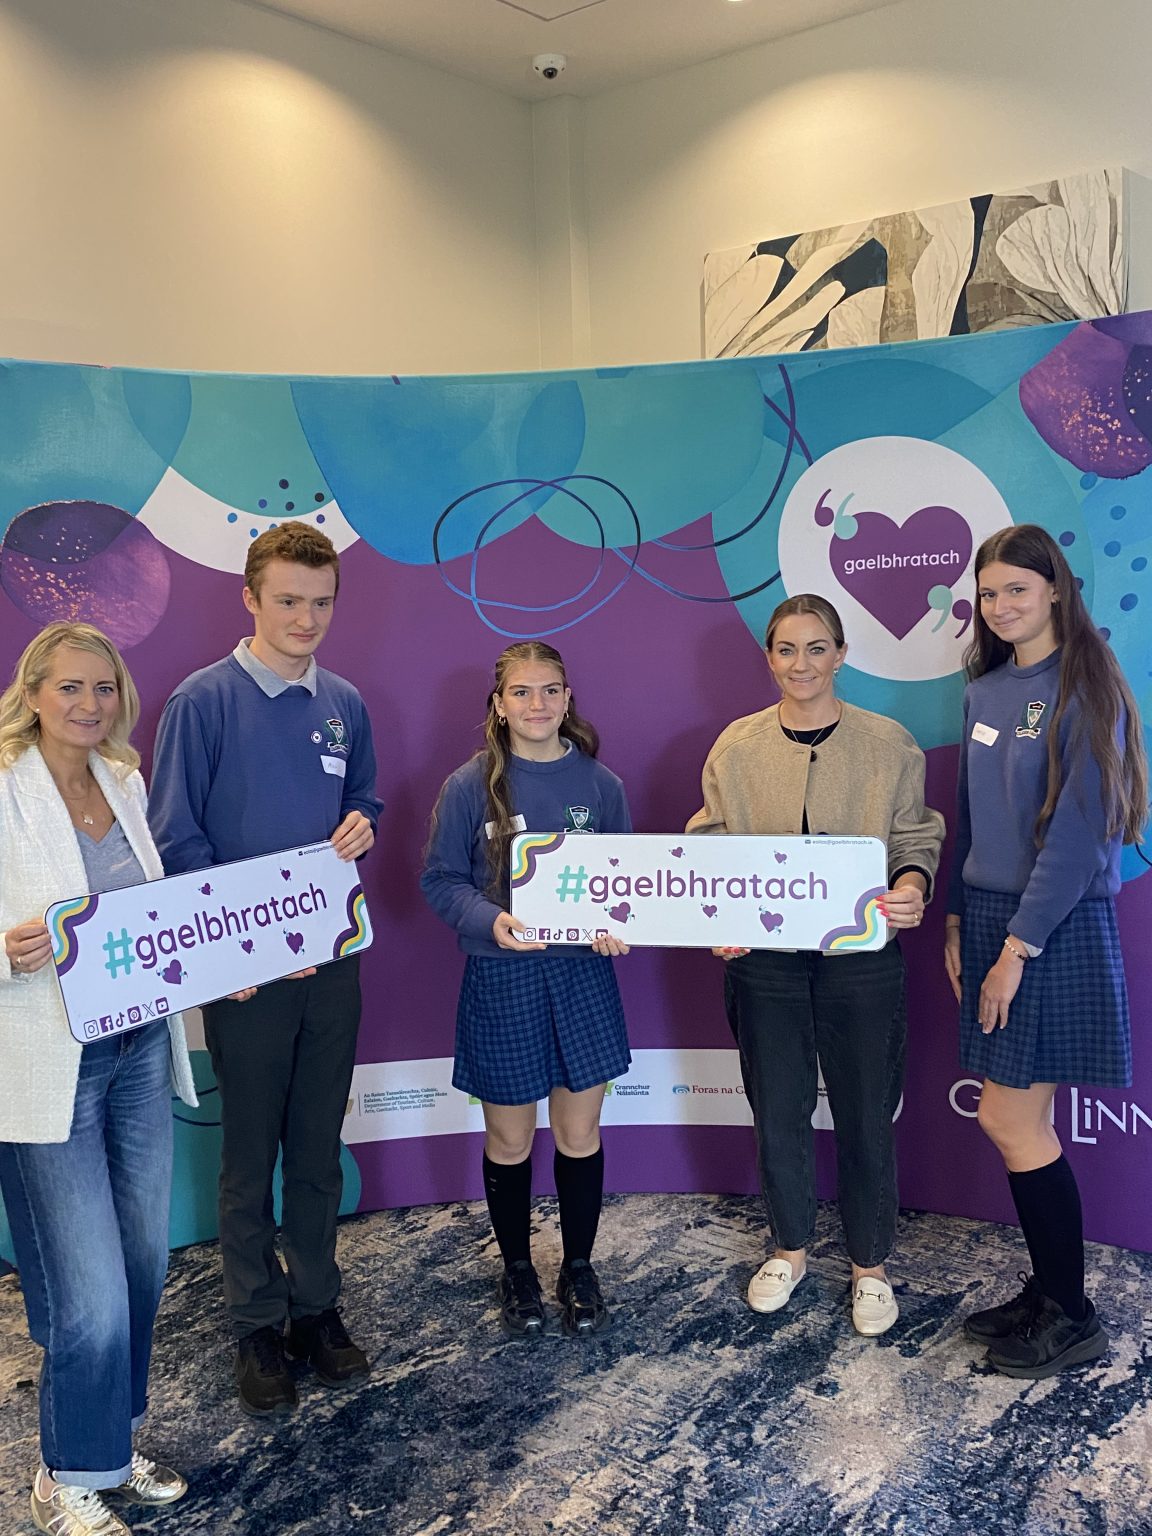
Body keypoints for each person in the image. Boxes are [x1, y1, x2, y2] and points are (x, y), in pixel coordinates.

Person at [148, 524, 381, 1417]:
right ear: (250, 598)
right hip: (243, 976)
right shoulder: (201, 701)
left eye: (321, 603)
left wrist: (362, 823)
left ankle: (315, 1307)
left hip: (331, 962)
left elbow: (363, 798)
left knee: (316, 1150)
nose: (305, 619)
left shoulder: (344, 702)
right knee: (249, 1157)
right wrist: (218, 958)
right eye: (287, 600)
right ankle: (254, 1321)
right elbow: (177, 838)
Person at [687, 593, 944, 1336]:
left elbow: (914, 838)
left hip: (861, 960)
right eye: (787, 648)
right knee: (778, 1110)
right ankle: (790, 1248)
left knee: (866, 1113)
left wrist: (911, 885)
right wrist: (718, 917)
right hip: (764, 965)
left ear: (841, 654)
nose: (801, 663)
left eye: (817, 647)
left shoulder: (888, 744)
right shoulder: (736, 746)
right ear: (769, 657)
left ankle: (871, 1266)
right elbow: (708, 842)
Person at [0, 622, 197, 1536]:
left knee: (143, 1263)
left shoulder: (125, 782)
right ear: (34, 693)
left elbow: (151, 920)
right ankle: (66, 1475)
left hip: (139, 1051)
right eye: (70, 687)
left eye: (104, 687)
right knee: (87, 1287)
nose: (89, 703)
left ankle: (110, 1443)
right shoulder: (4, 787)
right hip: (50, 1068)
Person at [944, 523, 1147, 1379]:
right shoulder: (986, 691)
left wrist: (1016, 948)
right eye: (988, 594)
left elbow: (1077, 838)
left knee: (1008, 1119)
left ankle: (1072, 1315)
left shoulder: (1085, 688)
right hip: (992, 916)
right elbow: (968, 816)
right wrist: (959, 921)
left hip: (1049, 928)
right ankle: (1052, 1291)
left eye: (1017, 590)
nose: (1000, 606)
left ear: (1056, 589)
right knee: (1020, 1121)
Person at [421, 641, 631, 1339]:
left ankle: (578, 1266)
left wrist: (617, 924)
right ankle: (516, 1269)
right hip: (502, 975)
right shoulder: (468, 786)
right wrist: (490, 920)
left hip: (581, 977)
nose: (536, 704)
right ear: (499, 704)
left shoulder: (601, 785)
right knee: (509, 1140)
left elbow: (625, 883)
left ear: (568, 700)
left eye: (550, 690)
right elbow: (439, 880)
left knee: (579, 1132)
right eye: (521, 691)